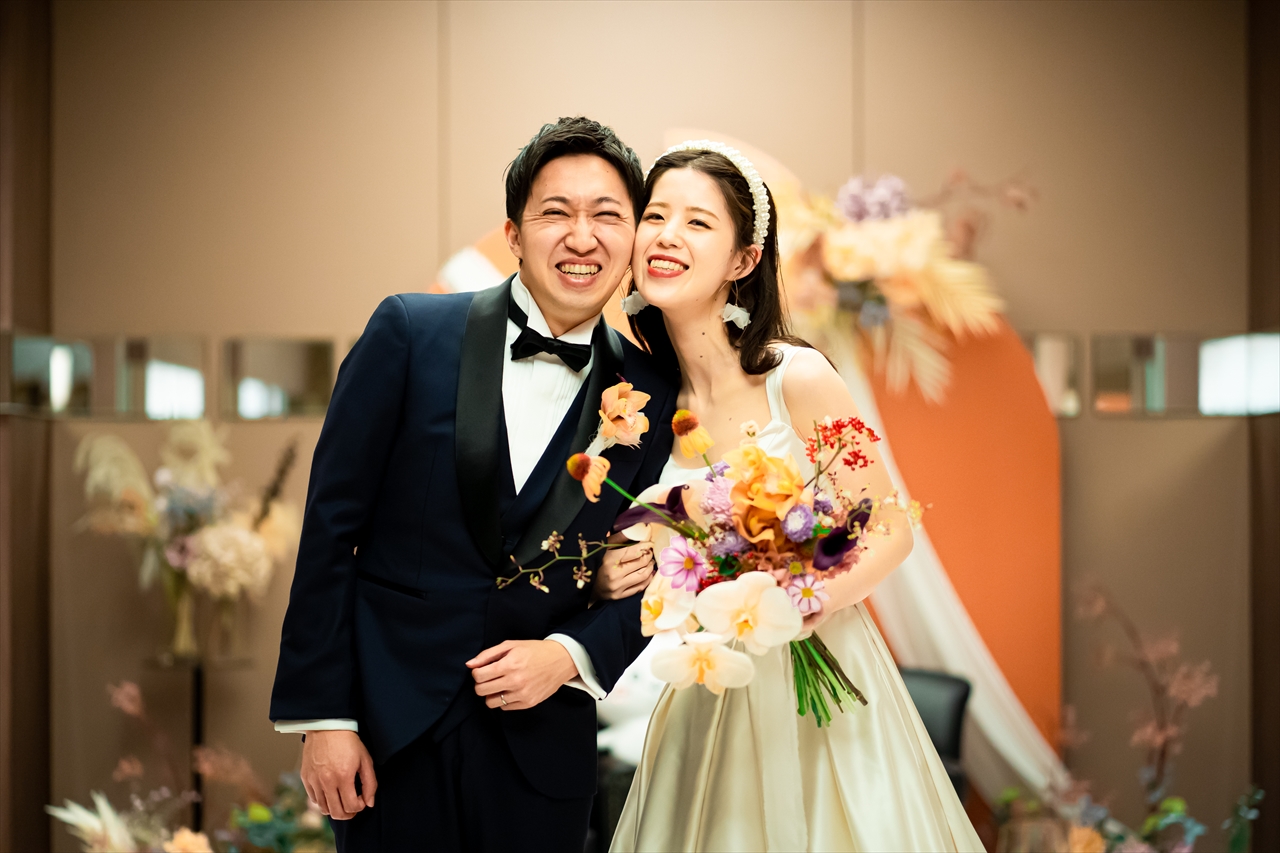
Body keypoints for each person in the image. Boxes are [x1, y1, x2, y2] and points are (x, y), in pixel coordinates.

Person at [268, 116, 676, 853]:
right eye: (556, 213)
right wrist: (326, 717)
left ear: (633, 237)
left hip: (542, 746)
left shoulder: (656, 390)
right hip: (391, 733)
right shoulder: (410, 331)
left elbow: (665, 574)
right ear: (515, 233)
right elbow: (331, 527)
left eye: (607, 215)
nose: (582, 237)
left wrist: (570, 654)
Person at [594, 141, 985, 852]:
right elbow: (637, 535)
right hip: (710, 686)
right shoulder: (641, 405)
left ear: (744, 260)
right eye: (655, 215)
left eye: (697, 222)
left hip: (819, 673)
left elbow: (890, 527)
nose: (667, 235)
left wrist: (803, 599)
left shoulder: (796, 377)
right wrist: (615, 570)